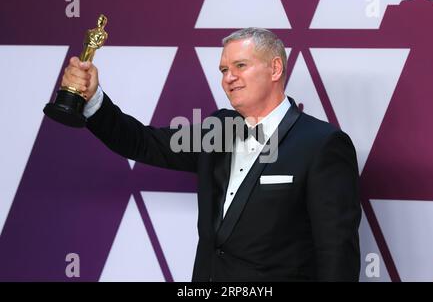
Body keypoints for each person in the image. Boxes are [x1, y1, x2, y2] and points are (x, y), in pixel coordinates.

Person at [61, 28, 361, 281]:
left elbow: (336, 251)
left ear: (275, 69)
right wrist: (93, 101)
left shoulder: (322, 143)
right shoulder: (218, 129)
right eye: (223, 70)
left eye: (240, 66)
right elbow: (143, 143)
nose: (228, 78)